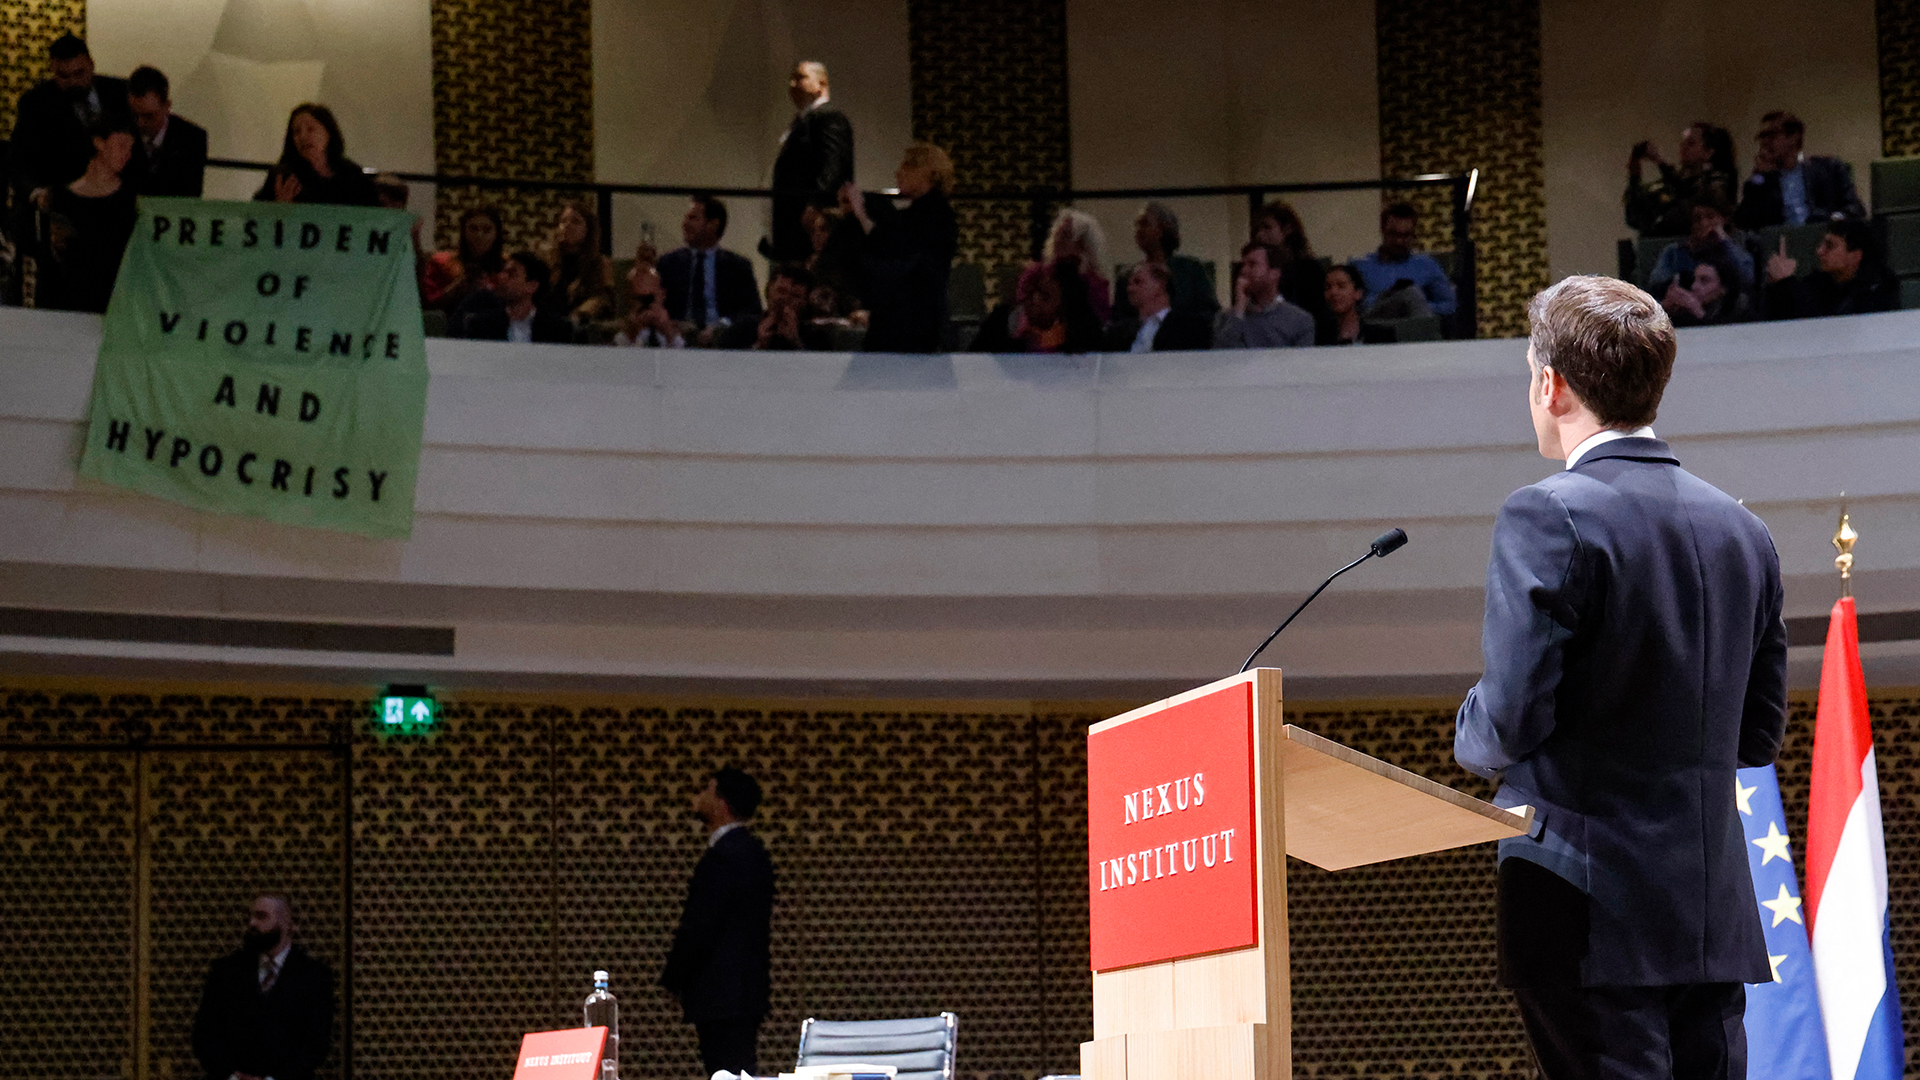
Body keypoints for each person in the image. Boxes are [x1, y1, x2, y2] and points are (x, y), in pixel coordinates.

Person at [1454, 275, 1787, 1080]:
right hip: (1709, 917)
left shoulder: (1549, 513)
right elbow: (1757, 734)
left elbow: (1509, 718)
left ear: (1551, 383)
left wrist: (1468, 729)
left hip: (1586, 911)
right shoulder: (1744, 531)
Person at [660, 768, 776, 1078]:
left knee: (727, 1071)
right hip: (743, 992)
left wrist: (674, 977)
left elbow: (701, 926)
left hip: (722, 994)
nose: (696, 797)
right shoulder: (753, 853)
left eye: (707, 790)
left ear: (722, 804)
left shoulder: (726, 857)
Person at [190, 895, 336, 1080]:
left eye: (261, 917)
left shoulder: (313, 976)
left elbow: (317, 1044)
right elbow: (204, 1035)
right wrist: (231, 1076)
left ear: (285, 923)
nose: (252, 923)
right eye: (251, 916)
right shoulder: (226, 971)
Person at [840, 143, 958, 353]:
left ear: (928, 173)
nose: (899, 172)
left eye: (908, 166)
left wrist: (862, 215)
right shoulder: (921, 214)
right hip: (905, 322)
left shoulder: (936, 216)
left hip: (913, 326)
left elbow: (896, 247)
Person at [42, 114, 138, 313]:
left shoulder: (130, 199)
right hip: (66, 303)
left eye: (130, 148)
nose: (127, 154)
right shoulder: (61, 197)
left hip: (113, 303)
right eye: (121, 145)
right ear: (99, 143)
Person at [768, 61, 854, 263]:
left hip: (809, 223)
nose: (792, 84)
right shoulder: (803, 122)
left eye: (801, 78)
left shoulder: (829, 118)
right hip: (792, 222)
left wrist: (816, 204)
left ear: (821, 83)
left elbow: (834, 165)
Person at [1734, 111, 1865, 229]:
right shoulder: (1762, 181)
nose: (1764, 142)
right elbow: (1744, 223)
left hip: (1824, 239)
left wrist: (1833, 220)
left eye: (1771, 135)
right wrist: (1758, 176)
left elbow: (1855, 209)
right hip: (1783, 248)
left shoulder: (1829, 168)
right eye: (1761, 137)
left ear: (1794, 137)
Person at [659, 194, 762, 342]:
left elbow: (752, 310)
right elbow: (656, 303)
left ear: (713, 224)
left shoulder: (738, 266)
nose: (685, 224)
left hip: (723, 337)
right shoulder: (668, 263)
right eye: (686, 218)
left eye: (693, 218)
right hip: (677, 337)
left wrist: (722, 325)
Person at [1762, 218, 1897, 320]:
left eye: (1830, 246)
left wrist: (1787, 284)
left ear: (1855, 256)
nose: (1819, 251)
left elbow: (1827, 327)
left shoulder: (1878, 289)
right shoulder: (1818, 283)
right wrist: (1777, 287)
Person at [1112, 202, 1220, 322]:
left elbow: (1210, 313)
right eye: (1137, 225)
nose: (1138, 230)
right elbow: (1119, 321)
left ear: (1162, 229)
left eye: (1145, 224)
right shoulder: (1127, 276)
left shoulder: (1191, 271)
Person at [1624, 123, 1736, 237]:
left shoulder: (1716, 182)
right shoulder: (1669, 184)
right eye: (1683, 142)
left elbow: (1689, 202)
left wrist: (1660, 162)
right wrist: (1634, 177)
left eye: (1691, 143)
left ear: (1708, 152)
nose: (1683, 147)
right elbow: (1635, 218)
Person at [254, 104, 377, 207]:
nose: (303, 137)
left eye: (311, 129)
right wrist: (277, 207)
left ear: (328, 133)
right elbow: (254, 215)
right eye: (296, 131)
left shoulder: (351, 174)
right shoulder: (284, 176)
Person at [969, 258, 1102, 354]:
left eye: (1045, 295)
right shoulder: (1000, 322)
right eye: (1029, 293)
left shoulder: (1080, 329)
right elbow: (973, 363)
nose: (1035, 300)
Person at [1353, 202, 1457, 317]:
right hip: (1375, 325)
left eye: (1406, 235)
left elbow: (1450, 305)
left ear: (1413, 234)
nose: (1399, 241)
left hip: (1414, 326)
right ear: (1382, 230)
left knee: (1412, 294)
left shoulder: (1426, 266)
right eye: (1393, 234)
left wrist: (1415, 305)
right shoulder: (1361, 266)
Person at [123, 65, 206, 198]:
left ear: (166, 106)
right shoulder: (120, 134)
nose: (140, 123)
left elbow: (190, 194)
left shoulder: (191, 139)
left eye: (149, 116)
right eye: (135, 115)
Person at [1214, 242, 1315, 349]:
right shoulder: (1225, 318)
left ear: (1274, 273)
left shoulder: (1299, 320)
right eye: (1243, 265)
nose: (1244, 271)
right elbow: (1220, 357)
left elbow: (1302, 363)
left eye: (1252, 264)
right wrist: (1238, 311)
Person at [1645, 199, 1754, 297]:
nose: (1704, 223)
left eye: (1710, 217)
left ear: (1723, 219)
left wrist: (1724, 242)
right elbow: (1656, 285)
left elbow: (1748, 279)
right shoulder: (1674, 252)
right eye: (1697, 219)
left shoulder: (1737, 247)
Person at [463, 251, 575, 343]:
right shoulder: (481, 325)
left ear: (531, 286)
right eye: (503, 272)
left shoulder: (557, 329)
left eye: (511, 274)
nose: (502, 278)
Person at [719, 263, 832, 351]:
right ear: (768, 291)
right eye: (781, 291)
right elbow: (727, 364)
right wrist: (759, 345)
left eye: (795, 296)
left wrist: (795, 342)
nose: (785, 299)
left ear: (805, 302)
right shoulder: (743, 328)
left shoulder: (816, 336)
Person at [1104, 262, 1211, 352]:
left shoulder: (1189, 327)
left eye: (1138, 282)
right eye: (1129, 284)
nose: (1130, 289)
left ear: (1160, 284)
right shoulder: (1120, 333)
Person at [543, 201, 617, 327]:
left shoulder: (600, 263)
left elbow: (605, 301)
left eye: (575, 222)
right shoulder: (547, 260)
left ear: (588, 229)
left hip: (582, 326)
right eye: (563, 221)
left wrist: (581, 314)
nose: (567, 226)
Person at [1250, 200, 1327, 320]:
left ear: (1287, 229)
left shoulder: (1308, 269)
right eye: (1257, 230)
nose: (1260, 235)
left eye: (1267, 227)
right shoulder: (1255, 270)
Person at [423, 206, 506, 314]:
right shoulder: (441, 263)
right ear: (463, 231)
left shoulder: (507, 267)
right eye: (473, 229)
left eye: (487, 230)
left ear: (496, 234)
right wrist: (459, 284)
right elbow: (428, 303)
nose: (479, 235)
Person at [1042, 208, 1113, 323]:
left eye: (1065, 235)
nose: (1057, 240)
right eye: (1057, 234)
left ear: (1083, 243)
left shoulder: (1095, 283)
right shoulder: (1042, 274)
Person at [801, 203, 862, 317]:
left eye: (823, 229)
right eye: (814, 230)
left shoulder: (848, 267)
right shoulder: (810, 264)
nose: (817, 235)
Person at [1659, 256, 1748, 328]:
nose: (1694, 287)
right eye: (1694, 280)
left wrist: (1699, 313)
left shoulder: (1740, 312)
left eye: (1704, 281)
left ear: (1723, 288)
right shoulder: (1685, 312)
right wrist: (1665, 310)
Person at [613, 262, 685, 348]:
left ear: (662, 294)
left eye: (650, 297)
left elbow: (681, 352)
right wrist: (631, 333)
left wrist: (667, 333)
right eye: (639, 297)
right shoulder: (625, 327)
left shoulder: (672, 327)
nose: (646, 302)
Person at [1316, 263, 1367, 346]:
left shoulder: (1378, 333)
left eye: (1341, 286)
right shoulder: (1319, 333)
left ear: (1358, 293)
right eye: (1328, 287)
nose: (1333, 292)